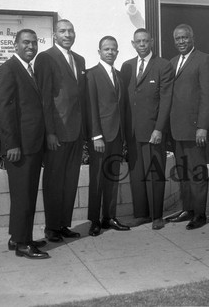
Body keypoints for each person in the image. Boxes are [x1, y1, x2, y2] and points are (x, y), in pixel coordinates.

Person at [0, 29, 49, 259]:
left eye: (34, 43)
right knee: (22, 196)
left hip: (32, 145)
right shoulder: (7, 69)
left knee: (26, 194)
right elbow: (4, 111)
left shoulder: (30, 70)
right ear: (15, 45)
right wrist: (12, 145)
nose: (31, 47)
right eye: (26, 42)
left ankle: (17, 236)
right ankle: (23, 245)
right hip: (20, 147)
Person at [34, 19, 86, 242]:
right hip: (57, 132)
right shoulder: (46, 58)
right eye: (63, 31)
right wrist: (50, 132)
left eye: (70, 30)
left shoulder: (79, 59)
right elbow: (44, 98)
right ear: (55, 35)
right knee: (54, 181)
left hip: (76, 131)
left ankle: (64, 223)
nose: (67, 34)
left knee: (70, 179)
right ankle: (52, 227)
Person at [120, 28, 174, 230]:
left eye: (145, 41)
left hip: (153, 132)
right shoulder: (127, 66)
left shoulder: (163, 65)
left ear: (151, 42)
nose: (142, 45)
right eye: (138, 42)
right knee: (136, 174)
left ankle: (157, 215)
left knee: (155, 173)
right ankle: (141, 214)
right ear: (133, 44)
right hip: (132, 132)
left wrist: (159, 129)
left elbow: (166, 99)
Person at [166, 24, 209, 230]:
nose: (181, 41)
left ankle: (200, 213)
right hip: (177, 129)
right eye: (177, 38)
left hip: (195, 129)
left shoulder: (204, 60)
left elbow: (208, 96)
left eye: (185, 38)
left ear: (192, 38)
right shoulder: (172, 62)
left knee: (196, 173)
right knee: (183, 172)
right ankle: (187, 209)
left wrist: (203, 126)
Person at [85, 36, 130, 236]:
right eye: (106, 49)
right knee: (97, 179)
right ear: (99, 52)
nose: (110, 52)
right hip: (101, 137)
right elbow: (91, 107)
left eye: (113, 49)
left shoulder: (119, 75)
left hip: (117, 135)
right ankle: (94, 220)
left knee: (112, 177)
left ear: (117, 52)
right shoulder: (91, 75)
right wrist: (96, 136)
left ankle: (109, 217)